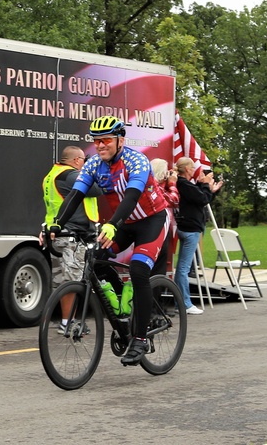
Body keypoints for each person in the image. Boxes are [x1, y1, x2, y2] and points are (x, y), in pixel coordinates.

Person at [54, 115, 169, 366]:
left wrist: (112, 224)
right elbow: (75, 195)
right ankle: (122, 307)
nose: (100, 145)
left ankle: (139, 337)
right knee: (95, 258)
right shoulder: (94, 164)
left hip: (151, 221)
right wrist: (56, 224)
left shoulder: (136, 160)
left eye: (106, 139)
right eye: (96, 141)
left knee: (138, 269)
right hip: (124, 224)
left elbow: (131, 196)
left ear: (120, 140)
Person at [40, 146, 102, 333]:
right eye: (83, 160)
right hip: (72, 235)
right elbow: (96, 190)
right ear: (76, 161)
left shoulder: (51, 175)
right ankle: (68, 323)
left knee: (62, 281)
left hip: (57, 235)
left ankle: (67, 320)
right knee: (72, 281)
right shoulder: (71, 176)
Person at [173, 157, 221, 313]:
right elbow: (202, 198)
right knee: (183, 268)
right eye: (192, 167)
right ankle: (185, 303)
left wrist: (205, 186)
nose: (195, 170)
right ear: (187, 169)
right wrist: (206, 184)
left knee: (182, 267)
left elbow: (202, 198)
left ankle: (179, 301)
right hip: (190, 229)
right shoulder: (183, 184)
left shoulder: (185, 185)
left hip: (186, 227)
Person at [150, 158, 180, 277]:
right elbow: (174, 200)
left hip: (148, 228)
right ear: (162, 173)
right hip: (159, 228)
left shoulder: (147, 183)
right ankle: (154, 294)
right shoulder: (155, 187)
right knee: (158, 267)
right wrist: (172, 183)